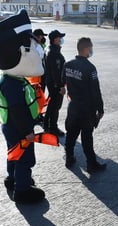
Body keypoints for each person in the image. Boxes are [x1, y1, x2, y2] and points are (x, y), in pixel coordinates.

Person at [0, 10, 46, 204]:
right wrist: (28, 130)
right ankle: (23, 189)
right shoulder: (12, 83)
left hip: (11, 125)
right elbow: (18, 109)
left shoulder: (12, 78)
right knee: (24, 158)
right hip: (18, 127)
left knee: (14, 153)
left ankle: (13, 178)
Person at [62, 37, 106, 173]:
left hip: (73, 106)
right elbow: (95, 91)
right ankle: (91, 164)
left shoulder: (68, 64)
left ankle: (69, 157)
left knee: (71, 134)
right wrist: (100, 108)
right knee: (87, 137)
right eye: (91, 48)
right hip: (87, 109)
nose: (91, 50)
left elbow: (62, 81)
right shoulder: (90, 68)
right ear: (86, 49)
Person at [43, 30, 66, 136]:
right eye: (59, 38)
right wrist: (60, 86)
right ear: (54, 39)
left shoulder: (49, 49)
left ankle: (47, 125)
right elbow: (56, 71)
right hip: (55, 83)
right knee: (55, 106)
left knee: (52, 104)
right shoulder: (54, 53)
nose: (61, 40)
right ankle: (53, 127)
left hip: (50, 82)